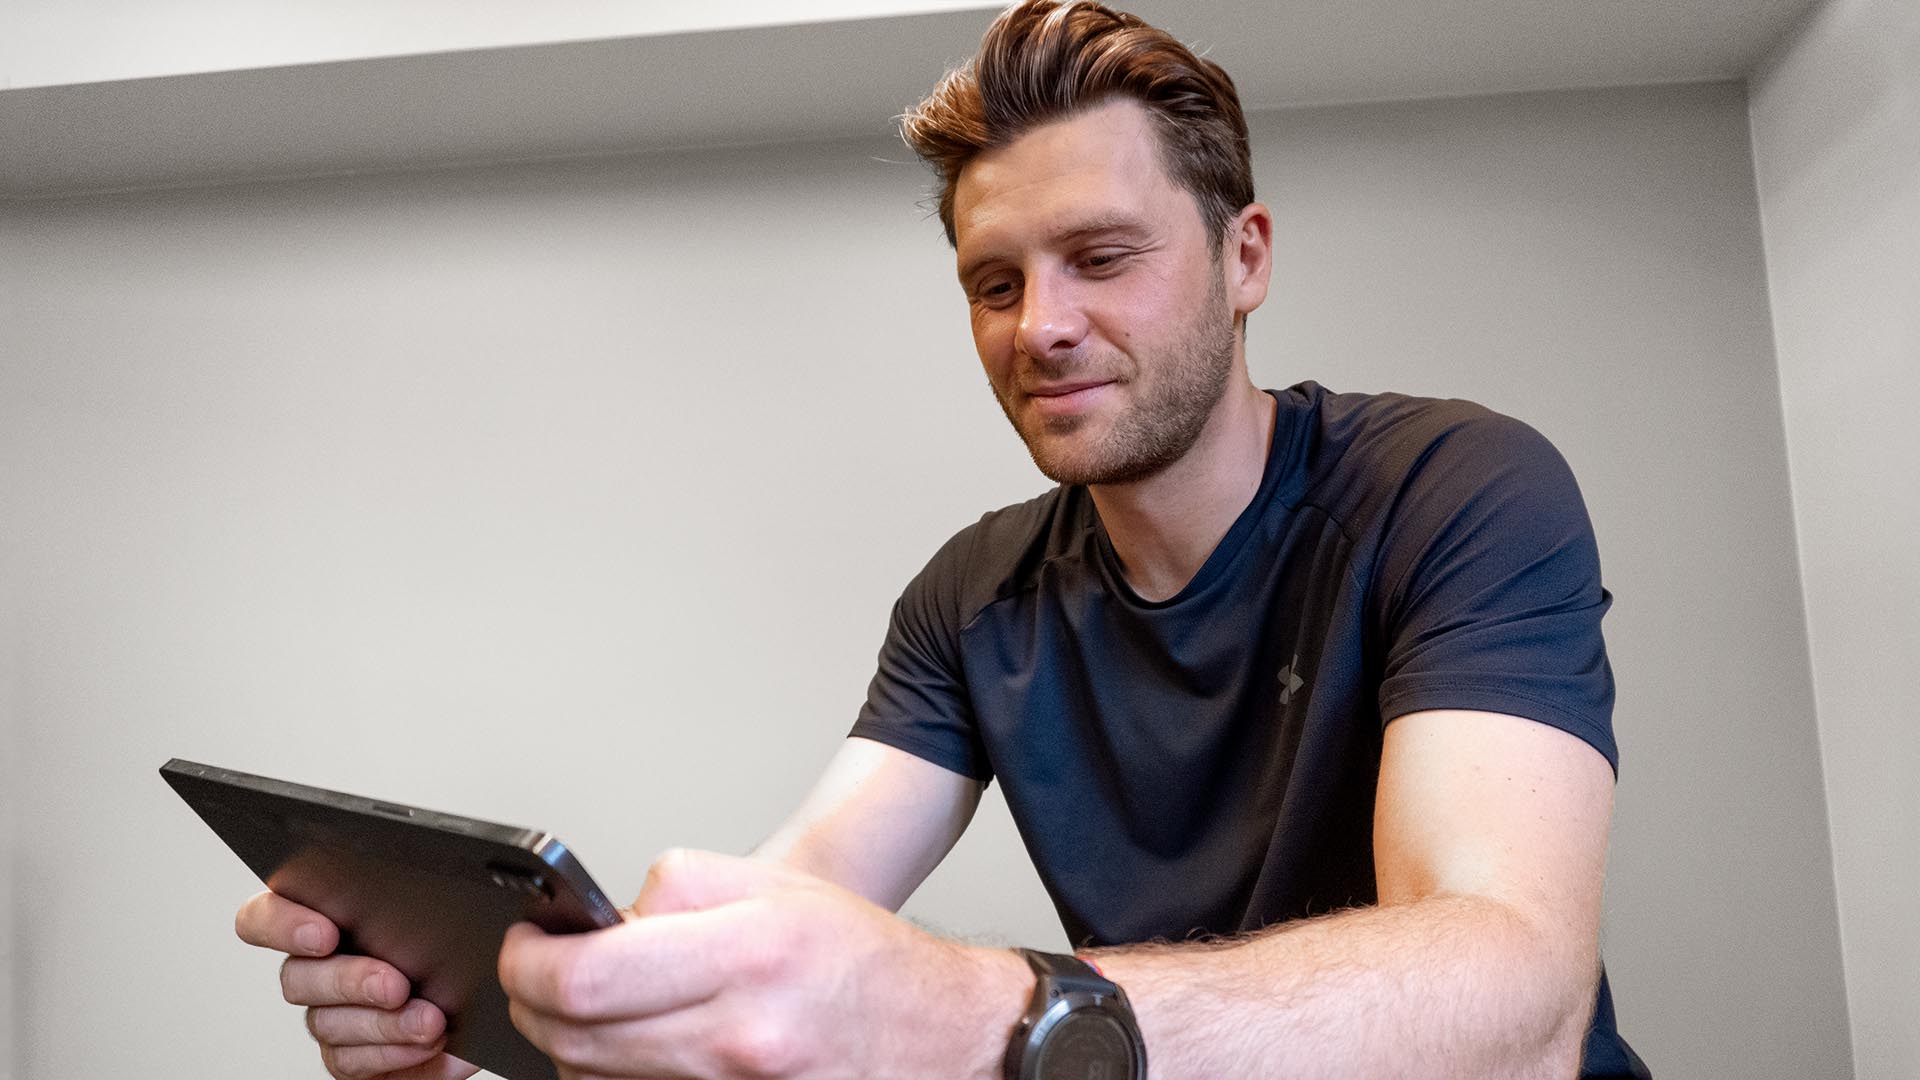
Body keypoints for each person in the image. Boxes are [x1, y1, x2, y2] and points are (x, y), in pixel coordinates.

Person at [235, 2, 1653, 1077]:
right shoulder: (974, 599)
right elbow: (788, 920)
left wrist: (986, 1011)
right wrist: (499, 1041)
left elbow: (1513, 996)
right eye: (993, 280)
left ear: (1246, 258)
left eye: (1101, 258)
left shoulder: (1458, 488)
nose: (1038, 326)